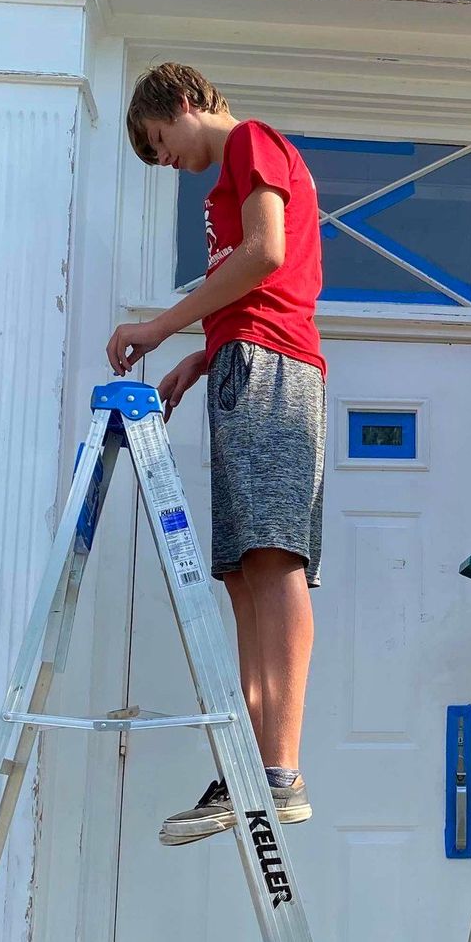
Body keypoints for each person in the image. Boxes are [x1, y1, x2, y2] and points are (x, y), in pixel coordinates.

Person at [106, 62, 325, 844]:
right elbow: (253, 288)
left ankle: (281, 772)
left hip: (273, 368)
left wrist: (164, 326)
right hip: (243, 362)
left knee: (275, 558)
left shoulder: (253, 143)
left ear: (186, 103)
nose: (162, 160)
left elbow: (267, 254)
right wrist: (204, 356)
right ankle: (249, 764)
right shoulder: (220, 182)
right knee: (241, 576)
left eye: (158, 141)